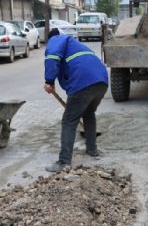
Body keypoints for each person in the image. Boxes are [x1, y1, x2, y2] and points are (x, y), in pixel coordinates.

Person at [44, 28, 108, 172]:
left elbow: (52, 58)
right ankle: (92, 150)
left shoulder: (56, 40)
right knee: (88, 114)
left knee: (69, 121)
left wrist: (49, 81)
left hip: (82, 82)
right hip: (101, 80)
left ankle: (64, 161)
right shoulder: (74, 44)